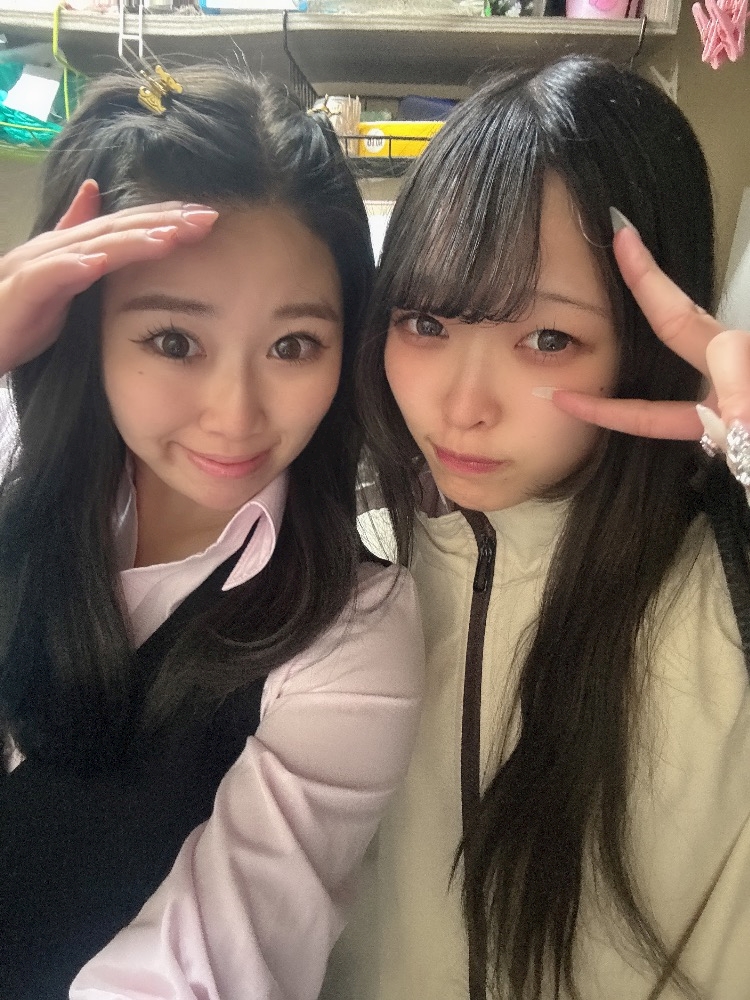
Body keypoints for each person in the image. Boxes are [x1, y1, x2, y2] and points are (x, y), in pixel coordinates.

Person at [326, 54, 750, 1000]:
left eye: (547, 338)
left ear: (647, 345)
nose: (461, 406)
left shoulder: (728, 592)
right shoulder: (340, 570)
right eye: (426, 322)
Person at [0, 65, 424, 1000]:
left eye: (293, 345)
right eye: (175, 341)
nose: (236, 416)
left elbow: (199, 973)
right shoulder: (15, 478)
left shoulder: (349, 627)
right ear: (86, 330)